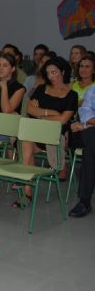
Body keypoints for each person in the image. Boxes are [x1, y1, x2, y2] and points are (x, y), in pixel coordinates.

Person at [20, 57, 78, 203]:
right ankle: (27, 191)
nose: (51, 76)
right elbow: (29, 108)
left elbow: (63, 120)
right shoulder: (41, 88)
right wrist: (51, 112)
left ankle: (26, 184)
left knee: (26, 145)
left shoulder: (71, 95)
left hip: (55, 135)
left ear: (63, 72)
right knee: (26, 141)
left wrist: (40, 115)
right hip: (37, 132)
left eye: (54, 72)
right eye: (48, 73)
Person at [69, 85, 95, 217]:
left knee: (89, 138)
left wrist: (87, 125)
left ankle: (84, 201)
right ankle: (84, 201)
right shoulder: (93, 89)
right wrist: (87, 124)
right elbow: (85, 113)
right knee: (90, 138)